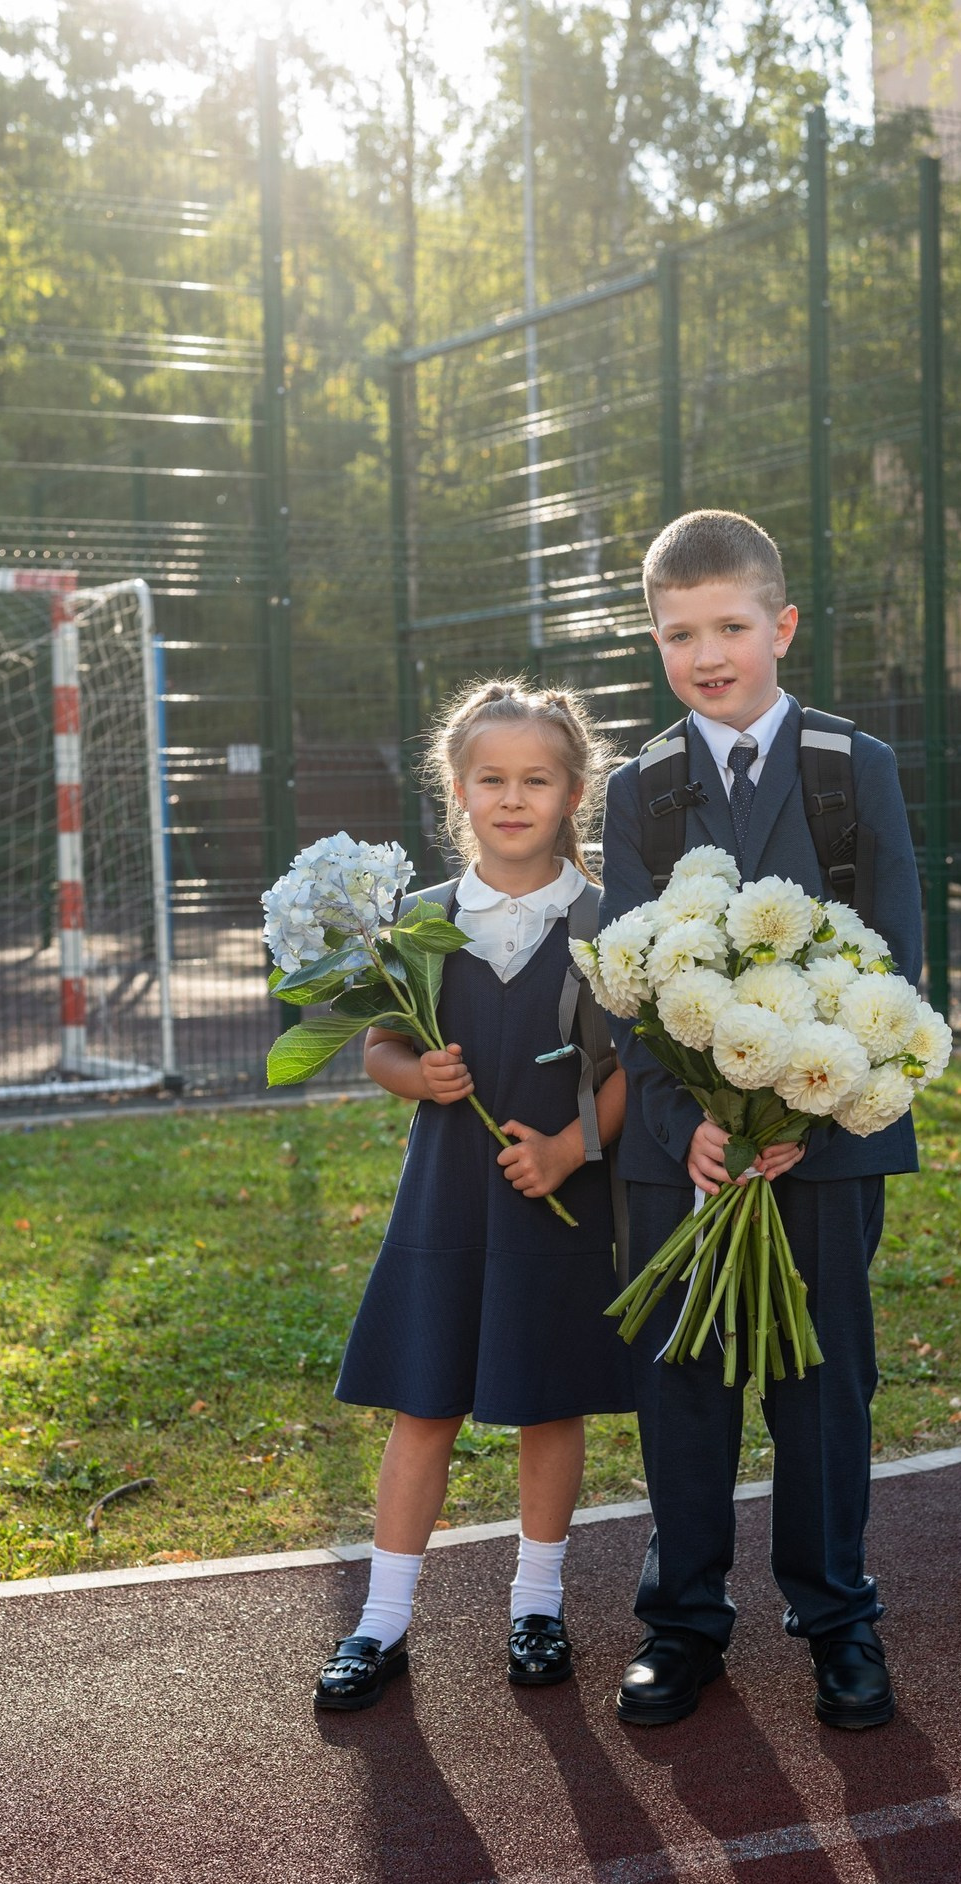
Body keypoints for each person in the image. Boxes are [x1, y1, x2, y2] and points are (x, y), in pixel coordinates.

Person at [601, 509, 922, 1730]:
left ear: (779, 626)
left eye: (729, 625)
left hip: (825, 1143)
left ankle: (837, 1616)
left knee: (822, 1382)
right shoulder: (640, 788)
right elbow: (625, 980)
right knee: (682, 1382)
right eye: (678, 633)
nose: (707, 652)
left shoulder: (853, 769)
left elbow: (893, 969)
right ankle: (681, 1623)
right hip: (681, 1151)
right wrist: (687, 1120)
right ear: (655, 642)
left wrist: (813, 1110)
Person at [314, 680, 631, 1712]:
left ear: (571, 792)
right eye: (490, 779)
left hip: (552, 1206)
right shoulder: (417, 919)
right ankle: (381, 1620)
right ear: (457, 792)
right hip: (445, 1207)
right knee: (424, 1405)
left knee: (547, 1403)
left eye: (535, 779)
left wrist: (572, 1148)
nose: (511, 798)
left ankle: (536, 1606)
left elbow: (633, 1068)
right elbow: (378, 1045)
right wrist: (419, 1077)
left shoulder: (606, 923)